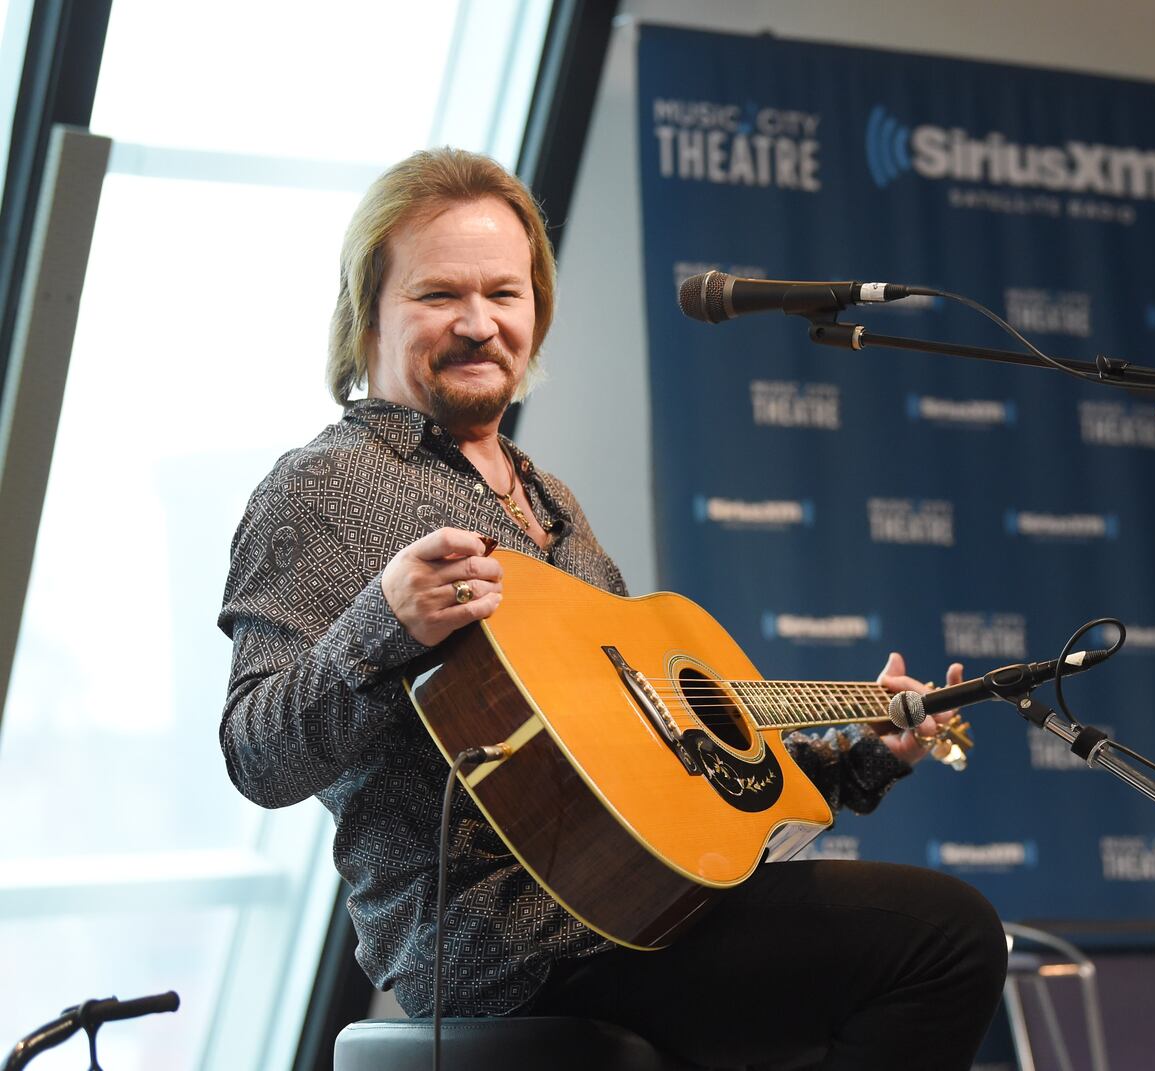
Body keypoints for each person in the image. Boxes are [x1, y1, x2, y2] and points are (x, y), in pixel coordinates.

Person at [219, 147, 1007, 1069]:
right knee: (945, 936)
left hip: (639, 904)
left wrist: (863, 757)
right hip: (504, 945)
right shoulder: (321, 488)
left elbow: (661, 774)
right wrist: (381, 623)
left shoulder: (550, 500)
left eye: (505, 295)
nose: (479, 323)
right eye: (439, 295)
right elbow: (254, 755)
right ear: (369, 312)